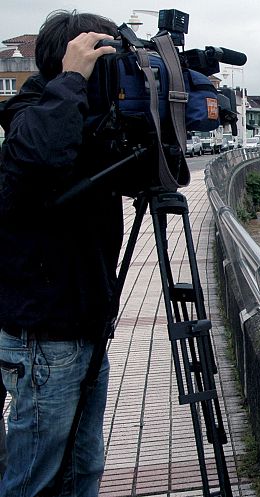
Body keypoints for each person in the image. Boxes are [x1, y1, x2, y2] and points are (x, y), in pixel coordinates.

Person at [0, 10, 121, 497]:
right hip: (44, 338)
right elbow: (44, 156)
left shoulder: (88, 121)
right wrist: (72, 78)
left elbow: (167, 175)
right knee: (35, 481)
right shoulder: (31, 117)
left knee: (83, 470)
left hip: (85, 328)